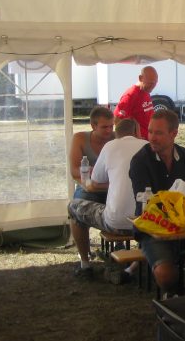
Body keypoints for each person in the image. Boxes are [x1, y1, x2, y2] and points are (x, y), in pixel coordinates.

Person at [129, 110, 185, 296]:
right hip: (154, 230)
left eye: (158, 133)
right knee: (166, 276)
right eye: (150, 131)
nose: (151, 137)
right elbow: (145, 203)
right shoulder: (140, 161)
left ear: (174, 134)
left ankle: (184, 298)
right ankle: (180, 297)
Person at [67, 118, 147, 281]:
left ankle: (85, 264)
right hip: (146, 223)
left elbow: (95, 183)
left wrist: (115, 182)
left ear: (116, 134)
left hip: (117, 224)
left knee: (74, 206)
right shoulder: (148, 147)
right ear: (136, 131)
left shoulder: (110, 146)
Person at [69, 106, 116, 205]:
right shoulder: (80, 138)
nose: (109, 130)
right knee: (79, 204)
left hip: (112, 187)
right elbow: (74, 171)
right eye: (104, 127)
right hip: (88, 190)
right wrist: (101, 171)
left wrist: (90, 170)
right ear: (93, 126)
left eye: (111, 126)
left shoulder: (116, 137)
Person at [113, 66, 157, 139]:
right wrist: (130, 139)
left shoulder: (146, 91)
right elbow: (118, 119)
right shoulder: (130, 95)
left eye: (155, 83)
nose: (153, 86)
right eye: (150, 83)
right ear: (140, 78)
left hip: (148, 139)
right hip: (139, 142)